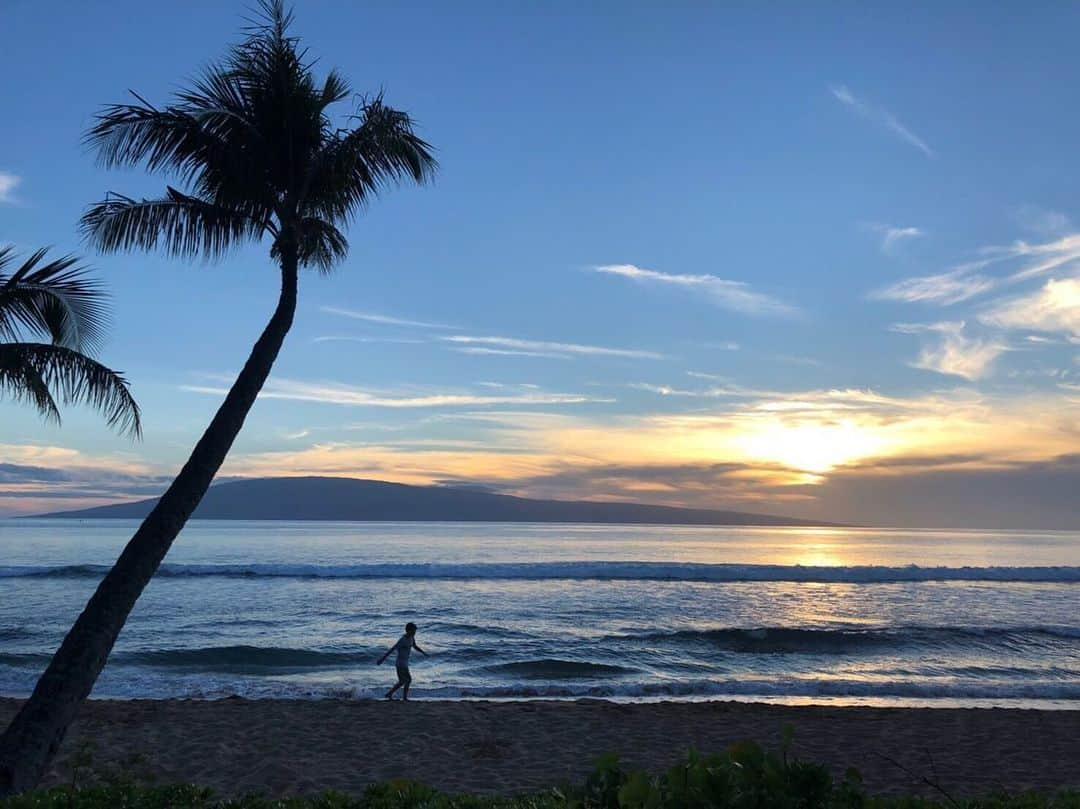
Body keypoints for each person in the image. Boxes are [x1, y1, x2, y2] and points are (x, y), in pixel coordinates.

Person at [378, 621, 427, 700]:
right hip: (400, 663)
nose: (415, 632)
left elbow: (414, 646)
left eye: (415, 631)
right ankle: (398, 696)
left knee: (405, 681)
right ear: (409, 630)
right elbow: (392, 649)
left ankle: (392, 694)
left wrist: (423, 652)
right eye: (414, 631)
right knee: (405, 680)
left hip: (405, 663)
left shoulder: (412, 638)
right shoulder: (402, 640)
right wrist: (382, 659)